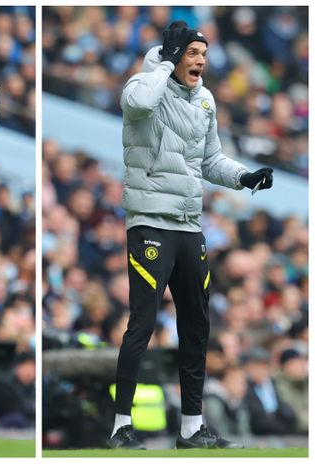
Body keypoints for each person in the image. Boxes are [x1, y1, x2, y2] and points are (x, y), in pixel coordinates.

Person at [108, 21, 274, 450]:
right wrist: (163, 61)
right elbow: (141, 104)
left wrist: (244, 176)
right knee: (142, 324)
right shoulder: (142, 85)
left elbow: (211, 159)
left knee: (197, 327)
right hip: (149, 220)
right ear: (175, 54)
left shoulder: (204, 100)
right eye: (193, 53)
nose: (201, 61)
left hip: (188, 225)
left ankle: (191, 428)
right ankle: (120, 427)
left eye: (203, 53)